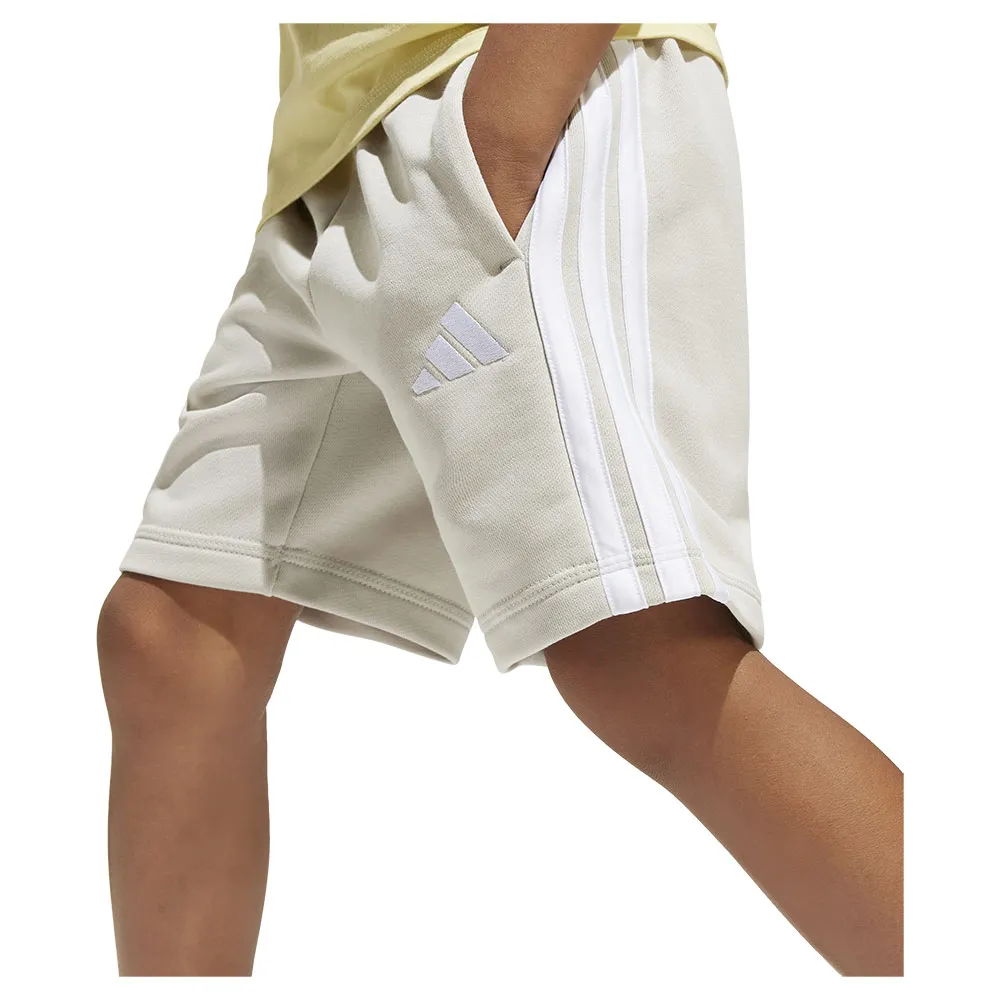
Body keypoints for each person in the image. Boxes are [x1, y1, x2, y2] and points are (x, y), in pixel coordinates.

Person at [96, 23, 903, 977]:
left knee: (641, 653)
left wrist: (507, 131)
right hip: (338, 150)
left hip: (512, 83)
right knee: (174, 638)